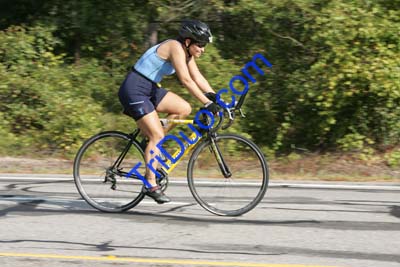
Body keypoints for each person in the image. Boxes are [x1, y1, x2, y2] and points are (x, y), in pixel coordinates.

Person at [118, 19, 220, 204]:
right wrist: (206, 103)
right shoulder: (174, 46)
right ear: (188, 42)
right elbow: (186, 80)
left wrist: (216, 99)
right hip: (134, 88)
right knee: (157, 135)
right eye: (201, 45)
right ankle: (150, 184)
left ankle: (148, 144)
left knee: (184, 109)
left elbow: (197, 77)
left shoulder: (187, 54)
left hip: (150, 88)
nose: (203, 49)